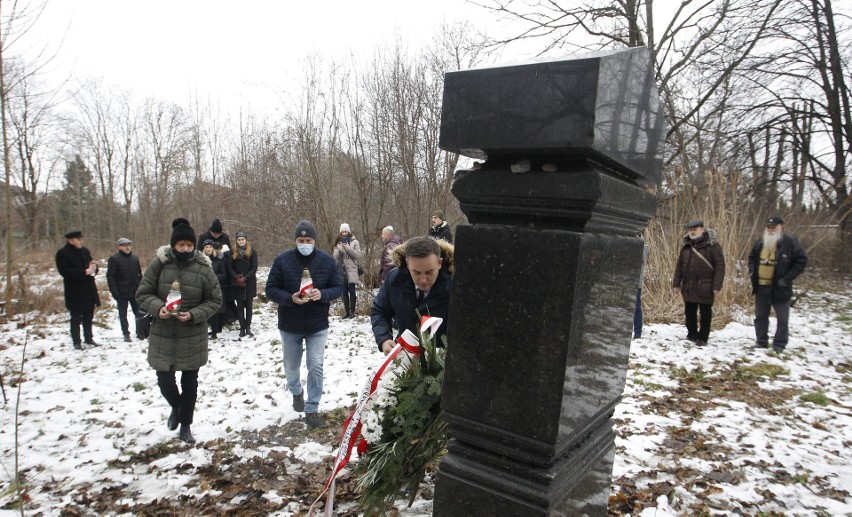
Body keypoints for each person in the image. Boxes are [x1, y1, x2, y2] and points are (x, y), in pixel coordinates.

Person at [136, 218, 223, 444]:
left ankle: (186, 426)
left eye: (188, 245)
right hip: (163, 332)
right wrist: (159, 308)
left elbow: (215, 300)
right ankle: (176, 406)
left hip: (192, 335)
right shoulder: (160, 264)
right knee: (164, 379)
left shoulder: (204, 267)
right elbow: (143, 293)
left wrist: (194, 314)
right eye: (180, 245)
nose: (185, 249)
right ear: (173, 245)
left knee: (190, 383)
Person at [265, 220, 343, 429]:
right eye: (301, 240)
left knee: (315, 366)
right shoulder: (282, 260)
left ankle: (312, 408)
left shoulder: (326, 261)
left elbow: (338, 287)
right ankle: (296, 392)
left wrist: (323, 294)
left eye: (309, 240)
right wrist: (290, 298)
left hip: (317, 325)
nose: (305, 243)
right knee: (291, 368)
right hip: (290, 325)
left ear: (314, 241)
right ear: (296, 241)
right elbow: (270, 289)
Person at [371, 236, 453, 355]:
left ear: (439, 263)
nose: (423, 280)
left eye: (429, 272)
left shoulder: (454, 286)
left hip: (441, 360)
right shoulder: (395, 279)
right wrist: (384, 338)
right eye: (416, 272)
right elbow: (380, 311)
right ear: (407, 264)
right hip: (404, 354)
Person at [747, 216, 808, 353]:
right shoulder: (760, 242)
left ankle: (779, 344)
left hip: (780, 287)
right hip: (761, 286)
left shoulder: (790, 242)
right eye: (768, 227)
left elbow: (801, 261)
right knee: (761, 316)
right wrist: (752, 270)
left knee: (782, 317)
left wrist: (787, 278)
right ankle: (761, 341)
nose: (770, 230)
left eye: (774, 227)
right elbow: (751, 258)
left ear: (781, 227)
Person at [672, 220, 725, 346]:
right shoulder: (686, 246)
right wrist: (676, 283)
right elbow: (679, 265)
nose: (692, 231)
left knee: (705, 312)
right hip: (689, 285)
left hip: (706, 284)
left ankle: (703, 337)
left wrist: (717, 285)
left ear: (702, 229)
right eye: (690, 229)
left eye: (695, 229)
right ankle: (692, 334)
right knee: (689, 311)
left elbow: (720, 266)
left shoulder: (713, 245)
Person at [56, 230, 101, 350]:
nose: (81, 241)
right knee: (76, 317)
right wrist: (84, 272)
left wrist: (94, 269)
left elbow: (92, 264)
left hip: (88, 288)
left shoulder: (85, 251)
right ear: (70, 240)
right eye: (78, 239)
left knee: (88, 315)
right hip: (74, 290)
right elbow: (65, 271)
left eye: (82, 239)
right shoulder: (62, 253)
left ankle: (88, 338)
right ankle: (76, 341)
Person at [107, 237, 142, 343]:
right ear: (119, 247)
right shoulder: (114, 259)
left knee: (139, 312)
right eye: (124, 245)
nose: (127, 247)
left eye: (129, 245)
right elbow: (110, 277)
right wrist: (115, 292)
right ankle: (126, 334)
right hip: (121, 292)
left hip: (135, 291)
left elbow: (140, 275)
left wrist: (141, 288)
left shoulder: (135, 258)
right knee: (123, 314)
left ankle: (141, 332)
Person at [229, 231, 258, 338]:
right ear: (236, 241)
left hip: (249, 282)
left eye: (243, 239)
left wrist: (246, 277)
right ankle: (242, 327)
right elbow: (229, 267)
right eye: (239, 239)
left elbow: (254, 267)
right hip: (237, 282)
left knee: (249, 306)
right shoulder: (232, 252)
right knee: (240, 306)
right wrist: (236, 278)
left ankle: (248, 327)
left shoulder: (252, 251)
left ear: (246, 240)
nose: (241, 241)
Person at [333, 223, 363, 319]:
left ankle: (352, 312)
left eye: (345, 231)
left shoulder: (355, 242)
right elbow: (335, 258)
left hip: (352, 270)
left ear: (349, 232)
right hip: (342, 270)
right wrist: (339, 249)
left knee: (352, 291)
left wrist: (348, 248)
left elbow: (358, 255)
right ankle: (346, 312)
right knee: (344, 291)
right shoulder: (337, 243)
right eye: (342, 232)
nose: (344, 234)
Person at [203, 240, 228, 340]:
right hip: (204, 288)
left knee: (217, 310)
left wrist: (212, 277)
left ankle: (215, 332)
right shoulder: (201, 259)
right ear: (203, 248)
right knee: (207, 309)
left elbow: (224, 274)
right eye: (206, 247)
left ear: (213, 248)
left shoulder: (218, 259)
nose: (208, 249)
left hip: (217, 287)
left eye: (210, 247)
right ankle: (211, 329)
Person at [633, 239, 650, 339]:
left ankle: (638, 332)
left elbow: (640, 260)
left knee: (636, 308)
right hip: (623, 280)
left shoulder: (643, 247)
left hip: (636, 282)